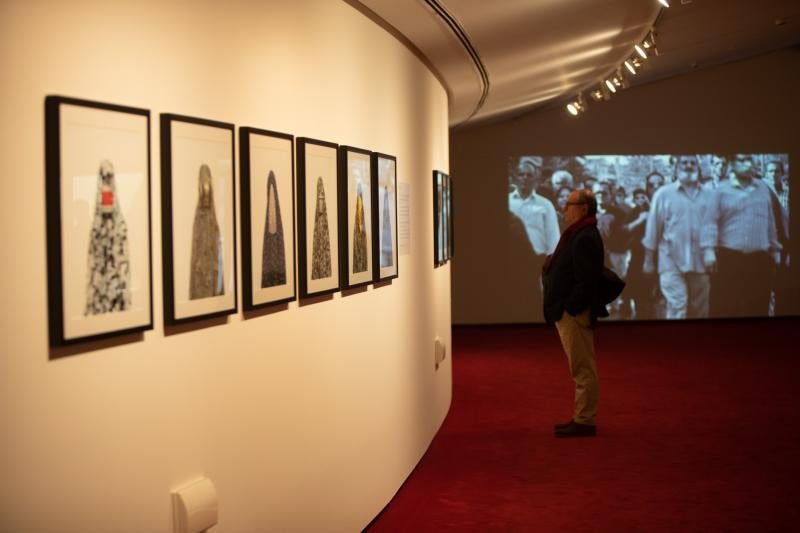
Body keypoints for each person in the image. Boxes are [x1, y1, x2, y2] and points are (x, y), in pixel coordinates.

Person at [542, 189, 608, 438]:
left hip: (574, 313)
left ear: (583, 209)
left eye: (569, 204)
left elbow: (587, 281)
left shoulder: (585, 236)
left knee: (582, 369)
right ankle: (582, 417)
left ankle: (585, 421)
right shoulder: (579, 233)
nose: (564, 209)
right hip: (569, 311)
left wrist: (569, 307)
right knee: (580, 367)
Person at [701, 154, 782, 317]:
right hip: (729, 259)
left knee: (757, 308)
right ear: (732, 164)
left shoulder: (763, 188)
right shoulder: (722, 190)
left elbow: (770, 221)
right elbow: (710, 222)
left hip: (759, 259)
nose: (746, 164)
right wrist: (708, 251)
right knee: (726, 308)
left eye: (748, 160)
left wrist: (775, 249)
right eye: (741, 160)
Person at [643, 155, 713, 319]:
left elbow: (713, 227)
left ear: (698, 167)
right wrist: (648, 261)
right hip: (670, 261)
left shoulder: (710, 195)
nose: (689, 166)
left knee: (700, 310)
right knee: (678, 307)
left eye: (692, 163)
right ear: (676, 168)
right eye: (684, 163)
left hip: (701, 262)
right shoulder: (663, 194)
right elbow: (653, 229)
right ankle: (675, 342)